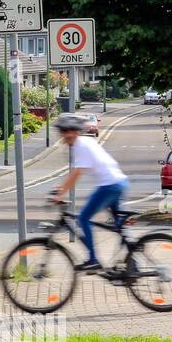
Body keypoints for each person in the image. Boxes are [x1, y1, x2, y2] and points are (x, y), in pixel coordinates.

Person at [50, 114, 128, 271]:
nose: (63, 135)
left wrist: (60, 194)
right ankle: (133, 264)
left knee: (83, 218)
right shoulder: (85, 142)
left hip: (109, 186)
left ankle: (93, 260)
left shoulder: (80, 145)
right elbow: (75, 172)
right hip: (118, 182)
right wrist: (61, 188)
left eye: (64, 131)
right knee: (120, 227)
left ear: (72, 132)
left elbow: (77, 173)